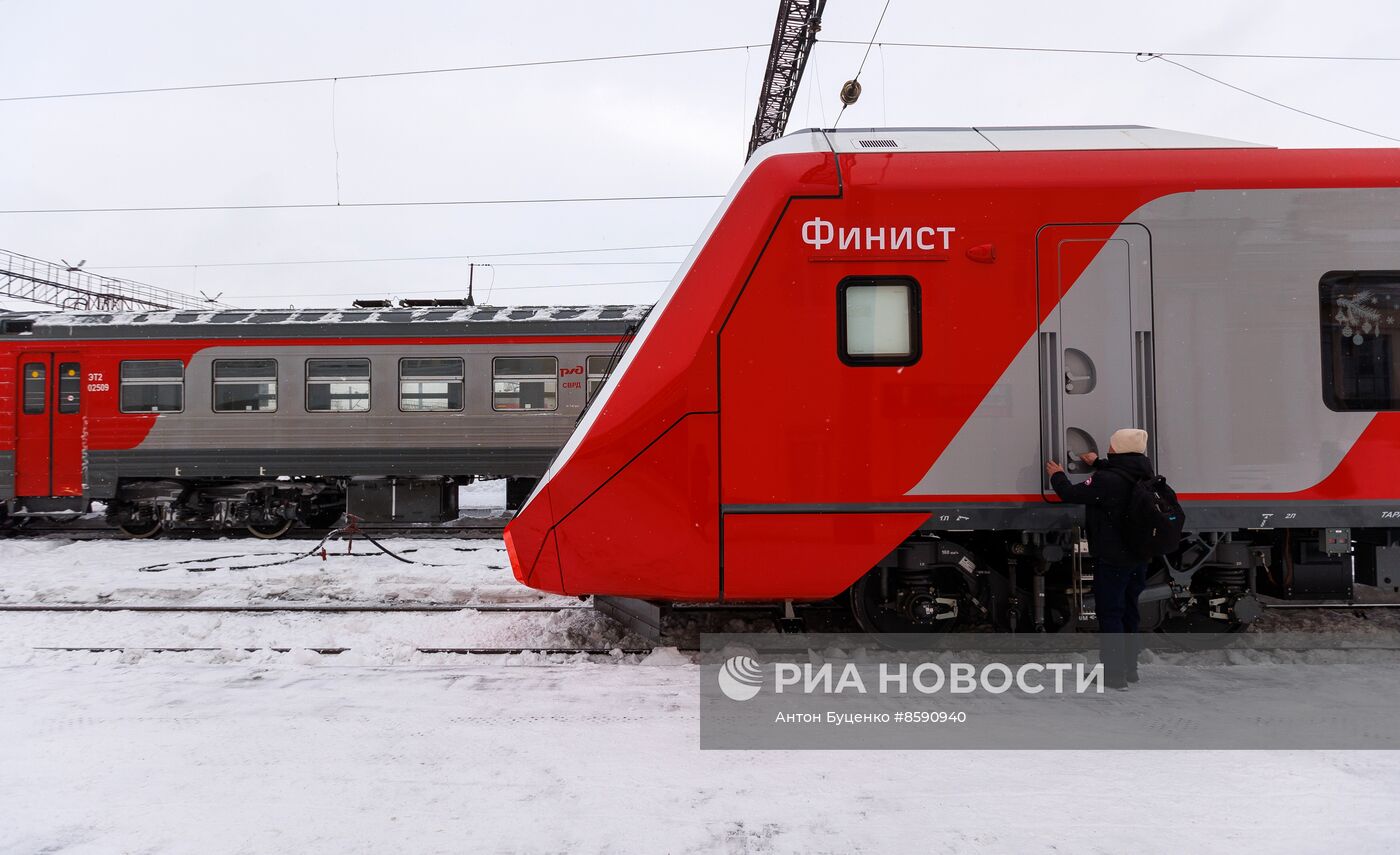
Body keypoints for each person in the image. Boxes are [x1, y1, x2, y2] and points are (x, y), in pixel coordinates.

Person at [1045, 428, 1153, 690]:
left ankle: (1113, 675)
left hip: (1114, 559)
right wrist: (1099, 463)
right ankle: (1130, 669)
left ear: (1118, 449)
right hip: (1139, 557)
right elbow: (1122, 476)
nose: (1110, 448)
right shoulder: (1146, 475)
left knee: (1110, 615)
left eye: (1112, 445)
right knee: (1129, 612)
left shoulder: (1107, 481)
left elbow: (1071, 494)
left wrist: (1057, 475)